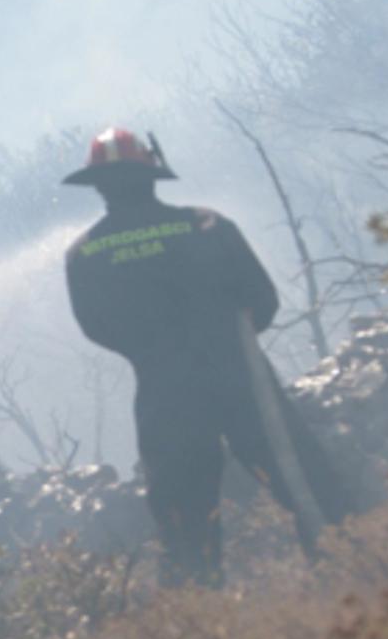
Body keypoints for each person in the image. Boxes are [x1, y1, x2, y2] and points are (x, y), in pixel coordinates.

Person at [61, 127, 354, 587]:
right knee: (305, 485)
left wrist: (153, 351)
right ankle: (355, 577)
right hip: (241, 380)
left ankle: (202, 616)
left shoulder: (85, 253)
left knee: (184, 524)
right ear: (152, 175)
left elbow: (97, 327)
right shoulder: (207, 225)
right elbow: (263, 300)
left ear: (97, 186)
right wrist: (221, 338)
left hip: (165, 396)